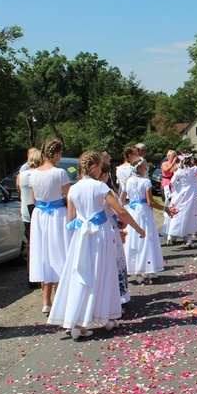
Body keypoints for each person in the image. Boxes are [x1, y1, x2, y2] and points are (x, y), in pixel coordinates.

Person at [47, 152, 145, 341]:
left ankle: (78, 322)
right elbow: (120, 210)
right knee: (104, 274)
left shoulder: (73, 190)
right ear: (93, 166)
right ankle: (105, 316)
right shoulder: (101, 187)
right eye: (100, 167)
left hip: (80, 238)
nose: (101, 171)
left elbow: (70, 219)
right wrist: (138, 228)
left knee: (82, 276)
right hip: (100, 236)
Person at [29, 138, 71, 314]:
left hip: (40, 216)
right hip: (57, 216)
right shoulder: (60, 173)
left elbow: (33, 199)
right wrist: (71, 220)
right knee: (60, 254)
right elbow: (70, 198)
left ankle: (46, 301)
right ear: (56, 154)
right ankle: (61, 298)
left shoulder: (33, 174)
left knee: (45, 255)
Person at [125, 158, 174, 284]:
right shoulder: (146, 182)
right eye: (144, 167)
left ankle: (138, 271)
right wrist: (165, 208)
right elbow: (150, 202)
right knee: (146, 238)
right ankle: (145, 270)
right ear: (139, 168)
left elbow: (122, 199)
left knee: (134, 239)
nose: (146, 169)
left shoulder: (127, 181)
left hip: (132, 211)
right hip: (144, 212)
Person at [98, 162, 130, 304]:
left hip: (90, 232)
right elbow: (120, 211)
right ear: (105, 175)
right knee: (115, 262)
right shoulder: (108, 192)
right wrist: (125, 224)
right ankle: (117, 297)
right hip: (109, 229)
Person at [17, 148, 42, 261]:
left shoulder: (21, 175)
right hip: (38, 211)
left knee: (30, 244)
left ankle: (30, 273)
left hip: (25, 212)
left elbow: (19, 190)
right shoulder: (39, 175)